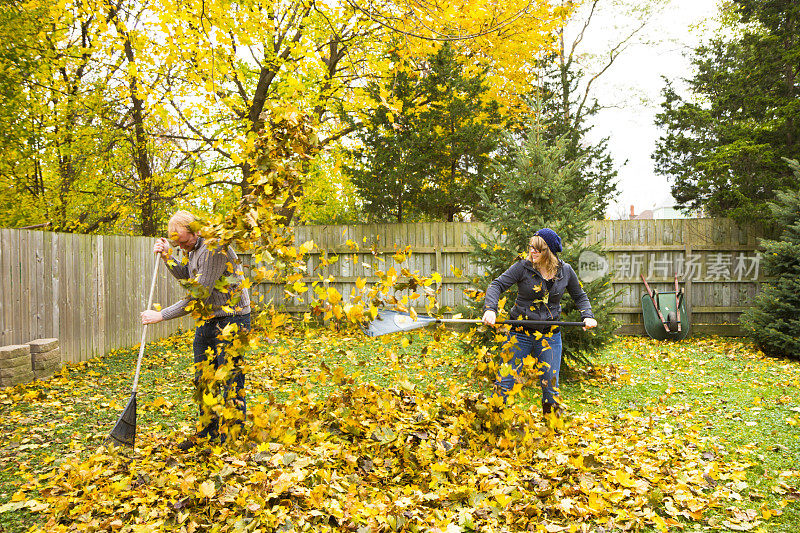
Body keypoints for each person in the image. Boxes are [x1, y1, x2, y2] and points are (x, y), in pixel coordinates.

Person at [141, 210, 251, 450]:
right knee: (204, 380)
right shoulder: (193, 249)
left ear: (196, 230)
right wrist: (168, 256)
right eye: (176, 243)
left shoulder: (213, 248)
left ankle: (230, 439)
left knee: (231, 379)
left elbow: (199, 294)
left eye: (183, 241)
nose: (182, 246)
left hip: (232, 319)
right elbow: (187, 275)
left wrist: (161, 315)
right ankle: (206, 432)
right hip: (208, 319)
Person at [482, 228, 597, 417]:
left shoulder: (565, 271)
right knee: (505, 381)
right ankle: (496, 421)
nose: (532, 252)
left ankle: (552, 424)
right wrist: (490, 309)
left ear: (549, 251)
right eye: (531, 247)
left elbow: (580, 296)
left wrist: (587, 315)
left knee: (551, 385)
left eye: (538, 249)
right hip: (520, 333)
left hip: (550, 335)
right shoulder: (522, 267)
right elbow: (497, 285)